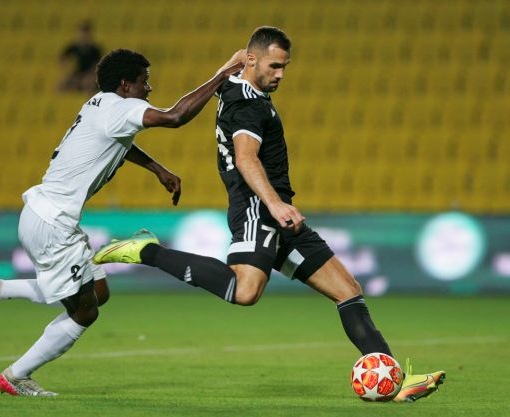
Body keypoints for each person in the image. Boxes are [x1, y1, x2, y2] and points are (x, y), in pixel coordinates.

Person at [93, 27, 445, 403]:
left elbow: (223, 84)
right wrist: (275, 205)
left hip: (279, 211)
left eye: (285, 67)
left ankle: (393, 380)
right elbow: (245, 157)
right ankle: (147, 250)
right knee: (245, 292)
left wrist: (225, 68)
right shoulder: (249, 104)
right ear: (253, 60)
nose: (280, 74)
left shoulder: (237, 88)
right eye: (274, 66)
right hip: (258, 207)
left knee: (348, 291)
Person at [0, 48, 245, 396]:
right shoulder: (121, 107)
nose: (150, 88)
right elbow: (175, 116)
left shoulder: (101, 105)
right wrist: (222, 77)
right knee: (85, 312)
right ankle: (16, 375)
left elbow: (120, 144)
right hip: (54, 223)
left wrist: (158, 169)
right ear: (126, 85)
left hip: (44, 213)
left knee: (98, 292)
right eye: (145, 81)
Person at [58, 20, 103, 93]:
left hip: (89, 76)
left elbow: (98, 66)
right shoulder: (73, 47)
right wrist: (67, 70)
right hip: (76, 75)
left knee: (87, 84)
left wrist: (90, 76)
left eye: (86, 33)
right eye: (82, 33)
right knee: (61, 86)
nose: (84, 36)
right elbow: (62, 58)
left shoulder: (95, 50)